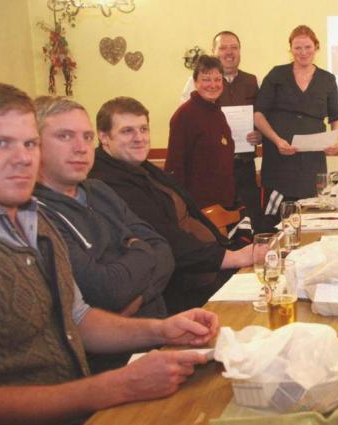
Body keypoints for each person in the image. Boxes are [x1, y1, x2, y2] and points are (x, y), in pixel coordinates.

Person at [0, 82, 218, 425]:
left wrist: (162, 330)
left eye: (30, 143)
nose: (23, 158)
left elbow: (78, 318)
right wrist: (120, 385)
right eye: (1, 143)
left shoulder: (31, 218)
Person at [32, 96, 176, 372]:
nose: (81, 148)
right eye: (65, 136)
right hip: (110, 364)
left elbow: (164, 252)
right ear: (34, 144)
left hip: (161, 337)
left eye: (87, 137)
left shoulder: (99, 190)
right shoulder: (36, 214)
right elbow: (105, 290)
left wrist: (137, 299)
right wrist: (141, 250)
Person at [89, 96, 253, 313]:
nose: (139, 138)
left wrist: (231, 251)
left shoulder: (140, 168)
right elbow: (166, 240)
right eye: (127, 131)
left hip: (206, 270)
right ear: (104, 137)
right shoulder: (107, 181)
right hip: (178, 293)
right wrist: (233, 257)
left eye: (143, 129)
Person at [254, 24, 338, 209]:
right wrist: (277, 140)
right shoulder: (276, 75)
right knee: (276, 217)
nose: (303, 52)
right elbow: (258, 114)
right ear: (291, 49)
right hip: (279, 161)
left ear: (316, 47)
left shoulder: (327, 79)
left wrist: (334, 140)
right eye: (297, 48)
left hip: (312, 164)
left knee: (312, 214)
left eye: (308, 47)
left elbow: (336, 117)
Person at [166, 54, 236, 210]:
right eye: (206, 79)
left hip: (222, 204)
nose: (213, 85)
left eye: (217, 79)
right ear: (195, 82)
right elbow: (175, 166)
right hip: (198, 207)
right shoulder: (184, 116)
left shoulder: (217, 113)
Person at [212, 31, 264, 231]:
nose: (229, 52)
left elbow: (262, 116)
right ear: (214, 51)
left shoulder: (253, 81)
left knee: (250, 221)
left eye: (234, 47)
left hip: (245, 167)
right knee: (219, 224)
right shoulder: (201, 83)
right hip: (215, 168)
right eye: (223, 48)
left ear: (240, 51)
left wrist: (259, 135)